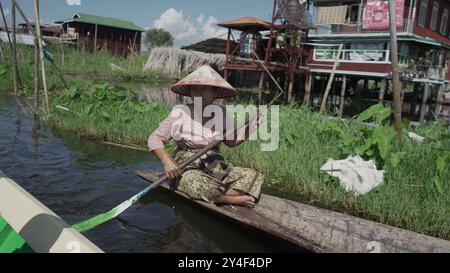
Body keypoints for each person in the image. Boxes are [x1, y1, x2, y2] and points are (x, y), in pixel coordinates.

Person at [148, 65, 264, 208]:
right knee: (194, 182)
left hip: (216, 165)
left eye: (204, 89)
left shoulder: (221, 113)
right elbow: (154, 139)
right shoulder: (181, 112)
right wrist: (167, 161)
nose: (198, 93)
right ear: (190, 93)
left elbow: (231, 141)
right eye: (195, 89)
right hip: (187, 165)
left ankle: (217, 193)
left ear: (214, 92)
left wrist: (251, 127)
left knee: (253, 175)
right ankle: (227, 198)